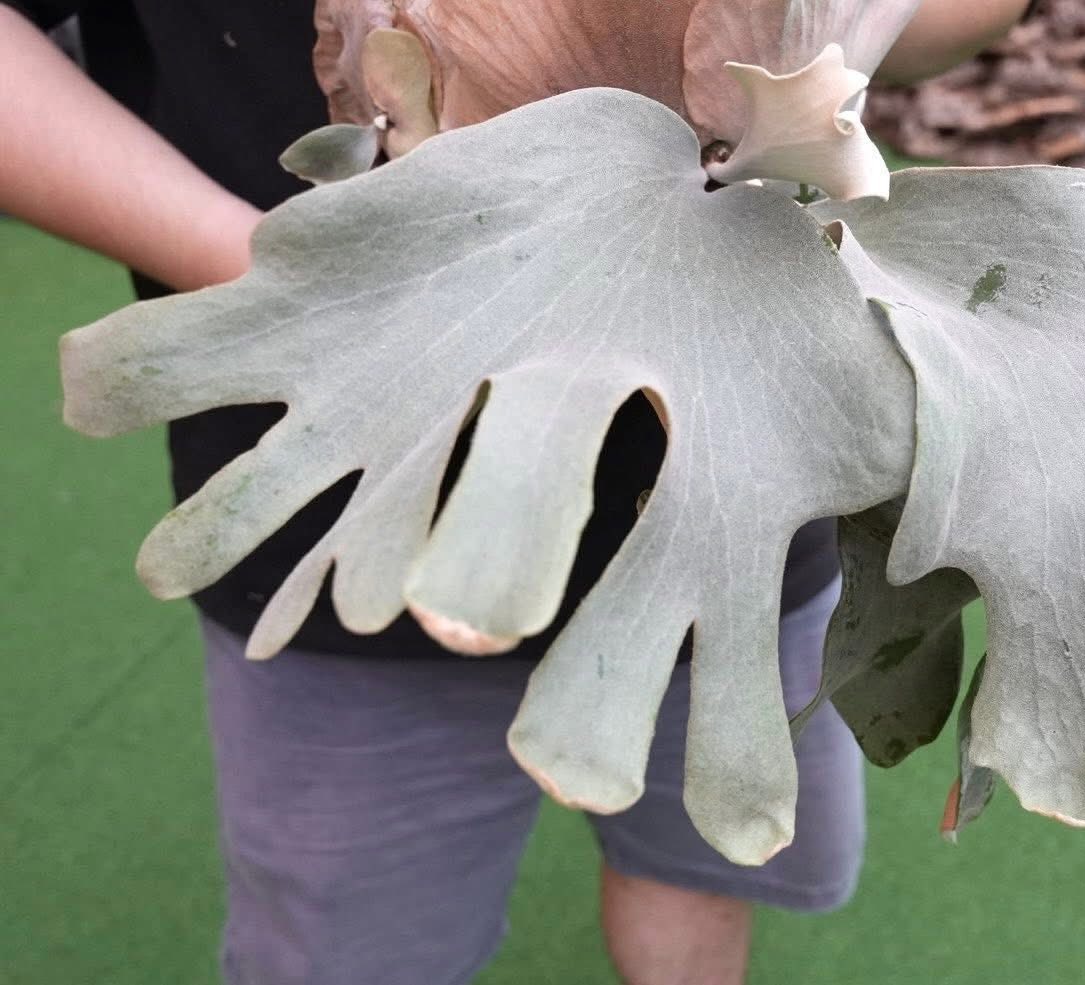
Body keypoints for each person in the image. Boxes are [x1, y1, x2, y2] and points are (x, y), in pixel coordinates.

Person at [0, 2, 1029, 983]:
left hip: (731, 489)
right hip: (358, 502)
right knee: (351, 941)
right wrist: (295, 280)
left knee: (705, 862)